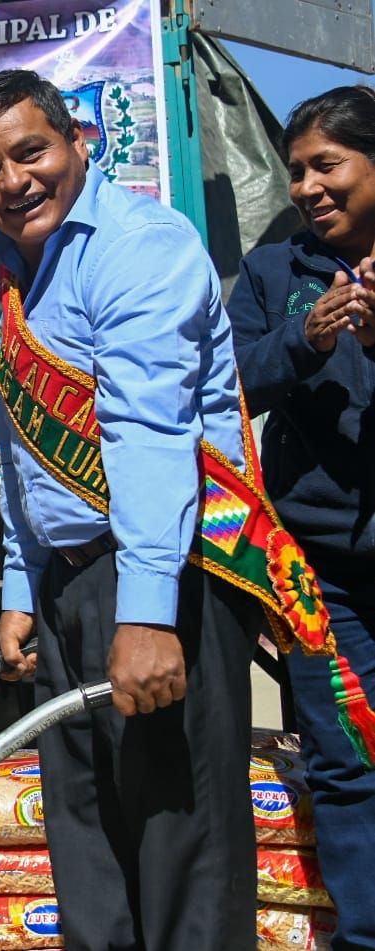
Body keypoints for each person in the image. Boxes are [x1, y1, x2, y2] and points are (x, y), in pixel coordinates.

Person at [0, 69, 266, 949]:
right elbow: (20, 447)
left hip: (166, 579)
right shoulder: (7, 276)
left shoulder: (138, 247)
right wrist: (21, 586)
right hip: (69, 587)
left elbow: (148, 432)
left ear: (76, 142)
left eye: (30, 152)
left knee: (181, 857)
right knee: (88, 851)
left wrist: (147, 615)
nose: (13, 181)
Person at [226, 85, 375, 951]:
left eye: (326, 166)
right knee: (346, 760)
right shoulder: (274, 270)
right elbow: (227, 383)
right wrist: (303, 340)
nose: (307, 188)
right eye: (294, 172)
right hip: (319, 570)